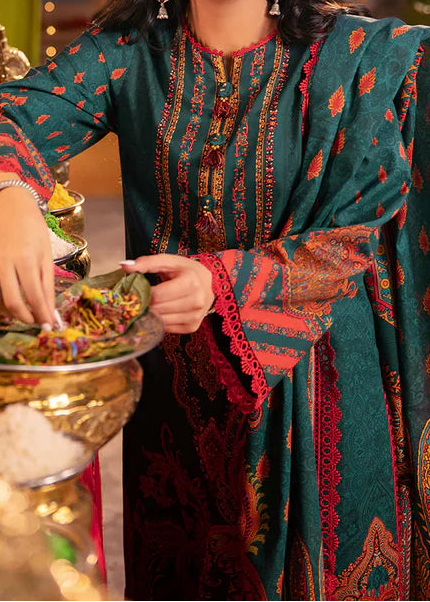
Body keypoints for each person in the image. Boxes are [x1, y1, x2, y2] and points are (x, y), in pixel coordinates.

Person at [0, 0, 430, 599]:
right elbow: (17, 113)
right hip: (180, 416)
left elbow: (358, 230)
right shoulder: (131, 52)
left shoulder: (367, 58)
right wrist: (11, 189)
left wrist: (224, 283)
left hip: (326, 397)